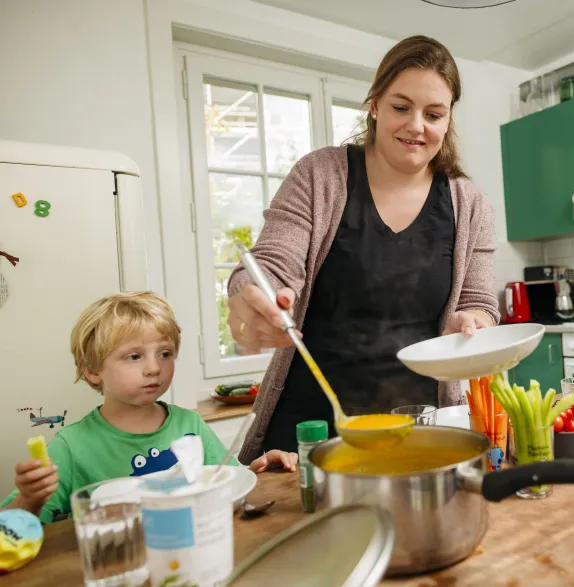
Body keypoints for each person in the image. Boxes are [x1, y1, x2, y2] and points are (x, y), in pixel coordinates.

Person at [225, 35, 499, 460]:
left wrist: (472, 323)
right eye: (401, 107)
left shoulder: (470, 203)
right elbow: (273, 262)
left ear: (448, 120)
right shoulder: (319, 176)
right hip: (308, 434)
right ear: (375, 105)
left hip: (419, 429)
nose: (416, 126)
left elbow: (479, 302)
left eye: (433, 114)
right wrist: (255, 294)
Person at [2, 292, 295, 524]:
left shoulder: (190, 424)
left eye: (165, 353)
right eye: (134, 357)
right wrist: (29, 499)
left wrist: (258, 468)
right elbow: (11, 526)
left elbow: (226, 479)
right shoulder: (71, 446)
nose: (154, 368)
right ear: (92, 369)